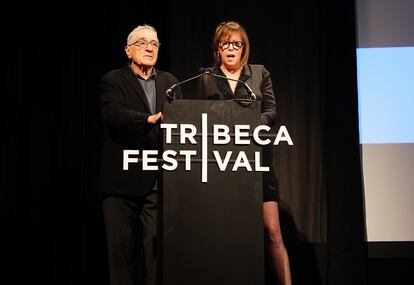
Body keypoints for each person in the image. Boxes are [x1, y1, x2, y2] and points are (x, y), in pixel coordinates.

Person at [198, 21, 292, 285]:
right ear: (217, 49)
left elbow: (271, 111)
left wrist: (252, 129)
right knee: (228, 232)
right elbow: (201, 116)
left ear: (244, 48)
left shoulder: (259, 74)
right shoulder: (206, 78)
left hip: (257, 159)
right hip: (223, 162)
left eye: (236, 44)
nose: (231, 49)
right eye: (225, 43)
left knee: (272, 231)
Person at [98, 24, 180, 285]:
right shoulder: (113, 80)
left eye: (154, 43)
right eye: (143, 42)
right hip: (120, 183)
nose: (149, 47)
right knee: (121, 256)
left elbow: (181, 122)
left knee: (156, 257)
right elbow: (114, 114)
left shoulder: (170, 82)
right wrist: (149, 119)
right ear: (128, 50)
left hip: (156, 183)